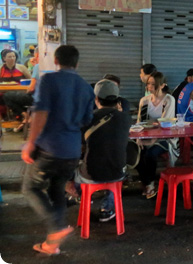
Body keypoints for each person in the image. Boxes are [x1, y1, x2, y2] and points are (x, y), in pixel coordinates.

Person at [21, 45, 95, 256]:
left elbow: (40, 114)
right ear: (77, 63)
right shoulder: (86, 88)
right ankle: (52, 244)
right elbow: (86, 121)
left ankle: (57, 228)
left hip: (49, 149)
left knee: (30, 188)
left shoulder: (49, 80)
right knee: (57, 190)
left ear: (56, 61)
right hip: (71, 151)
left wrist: (31, 143)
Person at [69, 79, 131, 222]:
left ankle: (81, 196)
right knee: (112, 163)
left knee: (77, 166)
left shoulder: (87, 118)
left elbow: (77, 144)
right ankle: (107, 209)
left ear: (96, 99)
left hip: (91, 174)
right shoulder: (126, 119)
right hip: (118, 173)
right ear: (117, 99)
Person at [136, 71, 177, 198]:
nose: (150, 87)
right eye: (148, 84)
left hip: (166, 137)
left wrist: (152, 140)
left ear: (162, 85)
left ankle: (150, 184)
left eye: (153, 84)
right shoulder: (144, 101)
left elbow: (165, 123)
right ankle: (148, 183)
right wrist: (139, 138)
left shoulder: (169, 99)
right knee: (135, 154)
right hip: (146, 136)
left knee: (150, 153)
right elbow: (139, 122)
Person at [1, 49, 33, 123]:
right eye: (9, 57)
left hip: (21, 92)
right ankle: (17, 117)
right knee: (4, 97)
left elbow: (30, 80)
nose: (12, 58)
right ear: (4, 58)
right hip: (4, 92)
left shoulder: (21, 68)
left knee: (7, 97)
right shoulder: (1, 69)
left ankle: (21, 116)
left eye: (13, 56)